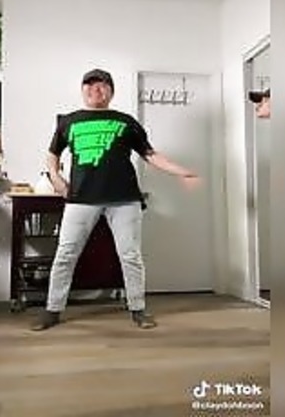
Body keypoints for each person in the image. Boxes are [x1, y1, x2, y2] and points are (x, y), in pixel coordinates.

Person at [31, 68, 201, 331]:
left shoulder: (126, 121)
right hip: (80, 199)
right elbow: (52, 154)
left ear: (111, 91)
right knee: (65, 254)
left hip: (124, 199)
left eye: (101, 85)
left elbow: (150, 154)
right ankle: (52, 310)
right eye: (89, 85)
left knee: (130, 255)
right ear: (82, 90)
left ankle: (138, 309)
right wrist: (55, 177)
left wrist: (183, 172)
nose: (95, 89)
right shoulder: (68, 121)